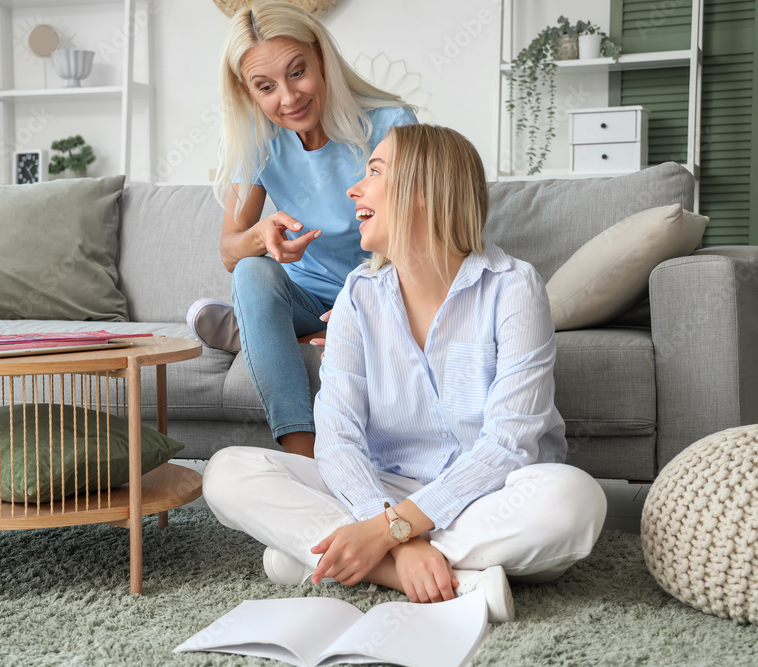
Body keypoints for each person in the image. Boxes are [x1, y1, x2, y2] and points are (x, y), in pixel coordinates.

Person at [203, 124, 608, 623]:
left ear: (424, 191)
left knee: (574, 500)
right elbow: (338, 439)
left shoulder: (513, 287)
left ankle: (327, 555)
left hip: (485, 497)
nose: (354, 189)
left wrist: (384, 531)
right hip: (381, 490)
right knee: (228, 472)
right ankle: (434, 574)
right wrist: (397, 539)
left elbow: (509, 445)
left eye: (374, 172)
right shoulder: (358, 294)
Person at [186, 0, 417, 458]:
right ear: (246, 90)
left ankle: (255, 329)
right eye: (265, 86)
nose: (288, 98)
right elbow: (231, 251)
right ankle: (302, 455)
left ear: (320, 56)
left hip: (381, 292)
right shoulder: (259, 143)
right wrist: (261, 233)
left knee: (256, 306)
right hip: (309, 300)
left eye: (297, 72)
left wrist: (362, 320)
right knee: (251, 275)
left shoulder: (391, 124)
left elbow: (420, 243)